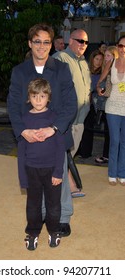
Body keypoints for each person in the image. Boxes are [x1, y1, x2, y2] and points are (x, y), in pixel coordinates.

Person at [7, 23, 77, 237]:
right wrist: (23, 131)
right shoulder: (19, 72)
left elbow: (70, 104)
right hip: (30, 138)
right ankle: (43, 216)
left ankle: (63, 217)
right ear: (30, 43)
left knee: (59, 180)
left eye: (46, 42)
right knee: (36, 182)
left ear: (51, 45)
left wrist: (53, 128)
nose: (42, 46)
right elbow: (12, 104)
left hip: (55, 135)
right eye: (37, 41)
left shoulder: (62, 69)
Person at [18, 78, 65, 250]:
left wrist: (59, 172)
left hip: (52, 169)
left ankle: (54, 230)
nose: (38, 100)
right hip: (31, 170)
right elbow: (21, 152)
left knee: (53, 204)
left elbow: (61, 148)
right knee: (33, 204)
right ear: (29, 97)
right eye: (34, 96)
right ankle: (32, 232)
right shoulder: (23, 120)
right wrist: (23, 179)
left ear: (49, 98)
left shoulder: (55, 119)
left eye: (42, 96)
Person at [54, 29, 91, 198]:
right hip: (66, 120)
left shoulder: (83, 61)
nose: (83, 45)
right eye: (80, 41)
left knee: (70, 154)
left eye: (86, 42)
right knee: (63, 155)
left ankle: (63, 184)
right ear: (71, 41)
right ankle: (66, 187)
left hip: (80, 117)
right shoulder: (61, 58)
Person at [97, 35, 125, 186]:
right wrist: (99, 88)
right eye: (120, 46)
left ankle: (122, 173)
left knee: (124, 142)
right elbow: (100, 80)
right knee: (115, 141)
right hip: (113, 107)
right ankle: (112, 173)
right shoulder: (112, 62)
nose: (123, 49)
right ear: (117, 46)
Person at [78, 49, 104, 159]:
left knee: (87, 130)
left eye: (100, 60)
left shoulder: (101, 74)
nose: (98, 62)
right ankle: (78, 150)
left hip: (91, 105)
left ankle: (85, 153)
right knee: (78, 128)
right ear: (92, 59)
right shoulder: (85, 70)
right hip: (80, 103)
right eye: (96, 59)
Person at [95, 45, 118, 164]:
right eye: (106, 56)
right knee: (110, 133)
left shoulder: (113, 70)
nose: (106, 58)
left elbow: (109, 90)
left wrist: (100, 88)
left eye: (109, 56)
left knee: (111, 133)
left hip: (112, 106)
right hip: (107, 106)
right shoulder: (107, 69)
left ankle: (107, 156)